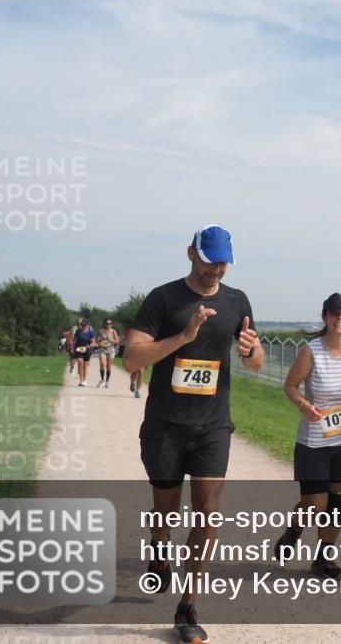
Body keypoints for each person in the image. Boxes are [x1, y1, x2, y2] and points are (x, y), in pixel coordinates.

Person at [124, 225, 263, 643]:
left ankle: (187, 607)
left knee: (208, 513)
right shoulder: (162, 299)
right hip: (165, 425)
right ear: (190, 254)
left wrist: (250, 350)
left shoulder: (237, 301)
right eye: (208, 260)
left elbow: (254, 362)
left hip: (213, 425)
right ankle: (159, 547)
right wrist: (183, 337)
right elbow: (132, 358)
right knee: (165, 513)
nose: (215, 269)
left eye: (222, 262)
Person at [274, 293, 341, 579]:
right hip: (314, 442)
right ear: (325, 317)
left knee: (337, 502)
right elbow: (290, 386)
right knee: (315, 504)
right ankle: (294, 529)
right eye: (335, 314)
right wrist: (305, 406)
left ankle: (323, 558)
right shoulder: (311, 352)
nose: (340, 319)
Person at [94, 318, 120, 388]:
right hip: (102, 350)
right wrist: (100, 343)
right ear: (104, 324)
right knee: (103, 365)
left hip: (111, 350)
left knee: (109, 367)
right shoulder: (100, 331)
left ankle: (107, 381)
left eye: (110, 324)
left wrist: (112, 340)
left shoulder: (113, 331)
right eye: (107, 323)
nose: (109, 325)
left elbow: (117, 341)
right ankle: (102, 380)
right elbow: (96, 340)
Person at [123, 325, 145, 398]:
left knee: (141, 372)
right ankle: (132, 382)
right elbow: (126, 340)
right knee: (135, 371)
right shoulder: (131, 328)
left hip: (143, 351)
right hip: (134, 351)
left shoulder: (148, 327)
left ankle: (137, 391)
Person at [72, 319, 96, 386]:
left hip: (87, 350)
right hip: (78, 349)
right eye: (82, 325)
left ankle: (85, 380)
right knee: (80, 362)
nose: (83, 326)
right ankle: (81, 380)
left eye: (84, 325)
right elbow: (74, 340)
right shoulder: (78, 331)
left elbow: (93, 342)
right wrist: (72, 348)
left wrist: (90, 345)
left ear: (87, 325)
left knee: (85, 365)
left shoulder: (90, 332)